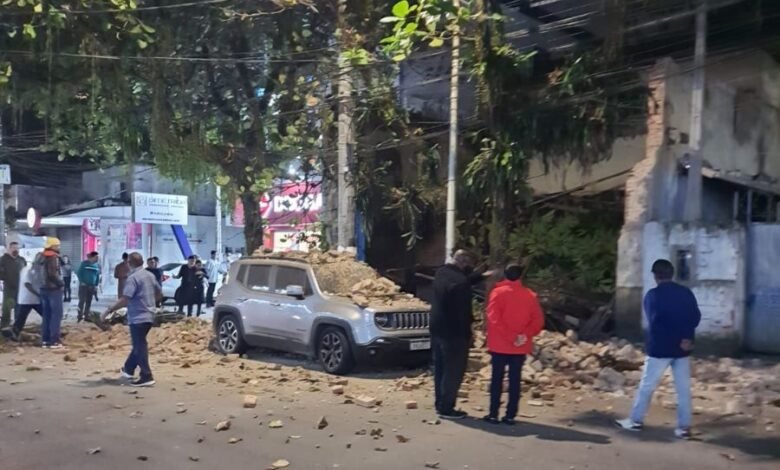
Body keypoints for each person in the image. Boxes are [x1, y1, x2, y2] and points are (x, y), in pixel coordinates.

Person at [616, 259, 702, 439]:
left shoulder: (652, 296)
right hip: (682, 349)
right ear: (672, 274)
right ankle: (684, 428)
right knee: (683, 390)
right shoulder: (685, 293)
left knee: (647, 386)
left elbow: (655, 322)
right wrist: (686, 338)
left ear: (655, 276)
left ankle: (636, 420)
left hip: (660, 349)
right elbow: (695, 317)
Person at [430, 249, 492, 419]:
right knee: (454, 371)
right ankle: (447, 408)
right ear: (464, 263)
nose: (470, 269)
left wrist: (481, 276)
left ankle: (440, 403)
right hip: (455, 334)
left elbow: (460, 282)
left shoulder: (442, 273)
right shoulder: (461, 283)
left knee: (441, 369)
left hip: (437, 330)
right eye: (470, 266)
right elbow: (463, 312)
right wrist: (469, 333)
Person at [483, 264, 544, 425]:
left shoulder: (498, 293)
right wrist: (524, 335)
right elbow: (538, 321)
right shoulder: (530, 295)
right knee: (515, 380)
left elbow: (494, 318)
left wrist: (511, 337)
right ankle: (510, 415)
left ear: (505, 275)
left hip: (500, 344)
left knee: (497, 379)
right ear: (521, 276)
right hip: (520, 346)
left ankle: (493, 413)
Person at [102, 252, 162, 387]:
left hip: (138, 317)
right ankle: (128, 369)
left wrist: (109, 310)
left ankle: (146, 376)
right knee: (139, 344)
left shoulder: (133, 278)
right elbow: (159, 293)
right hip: (150, 315)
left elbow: (125, 299)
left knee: (140, 346)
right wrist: (150, 303)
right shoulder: (150, 275)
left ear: (129, 263)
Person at [37, 237, 65, 349]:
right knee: (56, 315)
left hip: (43, 289)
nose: (59, 247)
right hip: (53, 289)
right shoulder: (53, 257)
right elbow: (53, 274)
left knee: (47, 315)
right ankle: (54, 340)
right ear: (52, 246)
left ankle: (45, 340)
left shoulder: (40, 257)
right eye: (57, 245)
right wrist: (61, 283)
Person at [4, 264, 42, 341]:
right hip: (27, 299)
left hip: (33, 299)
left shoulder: (37, 270)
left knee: (47, 315)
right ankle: (13, 334)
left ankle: (14, 333)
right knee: (21, 319)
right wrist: (38, 294)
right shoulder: (28, 270)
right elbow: (27, 284)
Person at [0, 241, 27, 330]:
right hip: (9, 289)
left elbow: (26, 272)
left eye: (17, 248)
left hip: (21, 289)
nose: (16, 250)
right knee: (7, 309)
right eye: (14, 248)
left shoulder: (22, 260)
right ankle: (4, 327)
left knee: (19, 309)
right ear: (9, 248)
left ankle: (17, 327)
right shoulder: (3, 259)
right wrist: (6, 277)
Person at [76, 252, 101, 322]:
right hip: (84, 286)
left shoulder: (96, 266)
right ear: (92, 257)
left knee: (89, 301)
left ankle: (86, 315)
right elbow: (79, 273)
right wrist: (82, 281)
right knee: (82, 301)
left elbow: (97, 276)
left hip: (91, 286)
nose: (97, 259)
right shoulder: (84, 264)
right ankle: (79, 315)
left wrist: (96, 285)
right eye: (96, 257)